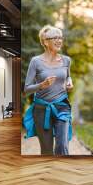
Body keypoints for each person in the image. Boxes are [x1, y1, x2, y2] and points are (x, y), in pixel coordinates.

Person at [23, 25, 73, 155]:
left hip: (62, 106)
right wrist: (41, 85)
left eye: (60, 37)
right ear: (45, 41)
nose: (59, 40)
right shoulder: (36, 62)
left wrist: (69, 82)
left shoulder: (66, 60)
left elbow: (67, 76)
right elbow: (26, 88)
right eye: (55, 37)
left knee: (62, 146)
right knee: (46, 150)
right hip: (41, 109)